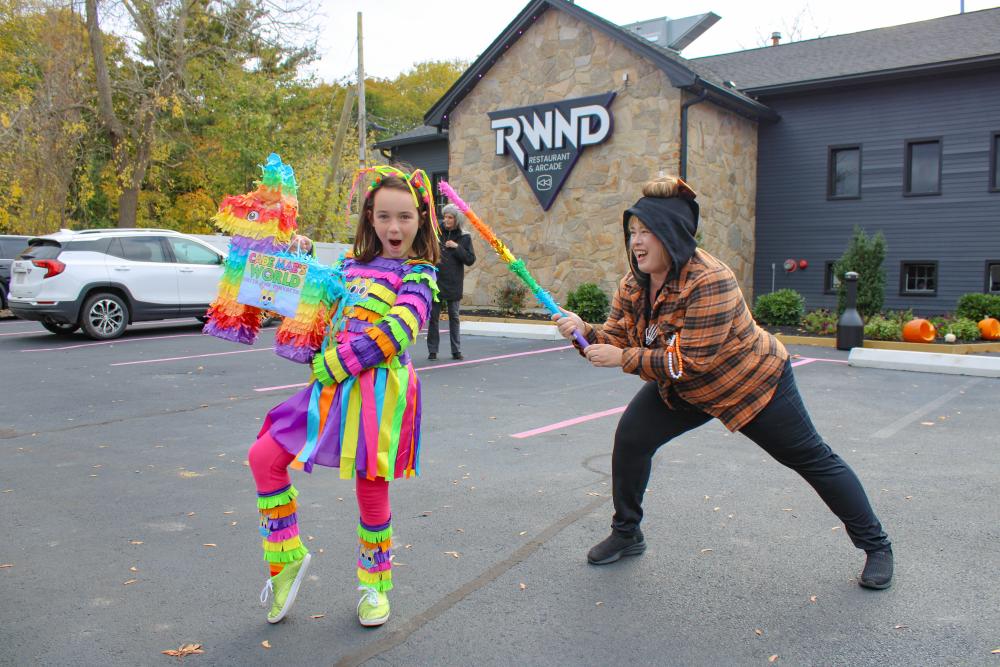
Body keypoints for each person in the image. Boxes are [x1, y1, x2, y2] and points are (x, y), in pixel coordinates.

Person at [552, 175, 893, 590]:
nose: (636, 242)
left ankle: (876, 546)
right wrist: (580, 331)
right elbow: (618, 337)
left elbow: (690, 361)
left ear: (672, 236)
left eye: (646, 232)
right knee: (631, 440)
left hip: (751, 384)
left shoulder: (710, 280)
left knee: (812, 458)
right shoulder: (634, 283)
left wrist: (623, 358)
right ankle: (628, 533)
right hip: (685, 389)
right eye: (632, 232)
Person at [248, 164, 440, 627]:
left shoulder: (420, 274)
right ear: (371, 218)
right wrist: (283, 266)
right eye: (385, 216)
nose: (395, 227)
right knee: (263, 457)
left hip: (379, 393)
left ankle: (375, 588)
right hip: (329, 389)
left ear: (421, 219)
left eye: (406, 217)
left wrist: (336, 364)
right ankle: (286, 561)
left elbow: (399, 330)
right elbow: (310, 312)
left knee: (371, 488)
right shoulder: (346, 266)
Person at [427, 203, 475, 360]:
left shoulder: (464, 237)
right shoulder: (436, 232)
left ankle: (456, 350)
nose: (446, 220)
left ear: (457, 219)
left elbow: (470, 259)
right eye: (445, 216)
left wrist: (457, 247)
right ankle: (432, 350)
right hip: (436, 281)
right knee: (433, 317)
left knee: (454, 317)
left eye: (450, 217)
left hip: (454, 282)